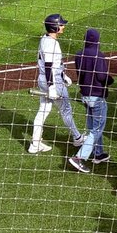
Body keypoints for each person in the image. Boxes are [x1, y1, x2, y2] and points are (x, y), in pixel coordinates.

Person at [28, 13, 84, 154]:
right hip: (52, 81)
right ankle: (77, 138)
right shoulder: (51, 43)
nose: (63, 26)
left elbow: (53, 64)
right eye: (61, 24)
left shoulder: (44, 39)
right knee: (66, 110)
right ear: (55, 27)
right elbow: (48, 66)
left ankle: (35, 144)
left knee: (43, 110)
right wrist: (53, 85)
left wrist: (63, 74)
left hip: (46, 79)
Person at [69, 27, 114, 172]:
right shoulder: (98, 55)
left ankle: (98, 153)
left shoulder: (79, 54)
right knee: (97, 128)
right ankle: (79, 157)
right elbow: (102, 76)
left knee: (93, 126)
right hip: (97, 96)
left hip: (85, 95)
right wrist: (110, 80)